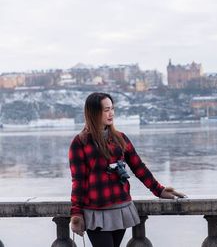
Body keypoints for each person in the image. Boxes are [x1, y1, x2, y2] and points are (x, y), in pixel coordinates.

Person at [69, 92, 185, 247]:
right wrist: (76, 213)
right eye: (106, 110)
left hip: (120, 207)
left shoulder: (120, 138)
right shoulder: (80, 142)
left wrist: (159, 190)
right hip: (96, 210)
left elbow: (138, 167)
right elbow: (78, 181)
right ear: (94, 112)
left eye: (112, 109)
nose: (111, 113)